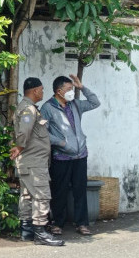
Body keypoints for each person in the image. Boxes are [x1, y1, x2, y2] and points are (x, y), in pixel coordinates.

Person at [41, 74, 101, 236]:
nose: (72, 92)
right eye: (69, 89)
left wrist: (82, 87)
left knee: (80, 190)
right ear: (59, 91)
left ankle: (82, 223)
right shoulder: (48, 108)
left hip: (80, 155)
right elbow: (42, 132)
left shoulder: (75, 104)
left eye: (73, 89)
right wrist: (61, 143)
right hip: (61, 157)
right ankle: (58, 223)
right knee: (59, 191)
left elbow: (95, 102)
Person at [9, 78, 64, 246]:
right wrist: (19, 146)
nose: (42, 92)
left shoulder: (28, 108)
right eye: (41, 89)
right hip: (34, 163)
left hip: (30, 162)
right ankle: (40, 233)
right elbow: (25, 129)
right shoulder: (28, 109)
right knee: (41, 195)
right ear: (34, 91)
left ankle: (27, 231)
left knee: (27, 196)